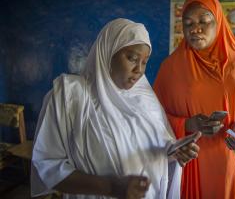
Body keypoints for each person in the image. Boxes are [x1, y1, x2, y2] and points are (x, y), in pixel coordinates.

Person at [31, 18, 201, 199]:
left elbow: (156, 149)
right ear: (108, 53)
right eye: (132, 58)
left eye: (144, 62)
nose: (139, 70)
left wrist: (174, 151)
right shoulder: (71, 96)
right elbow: (47, 164)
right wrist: (109, 187)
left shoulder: (146, 99)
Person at [154, 0, 235, 199]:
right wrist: (188, 125)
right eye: (188, 23)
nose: (195, 29)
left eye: (204, 21)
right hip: (192, 163)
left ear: (218, 21)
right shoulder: (171, 68)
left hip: (234, 161)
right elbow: (152, 119)